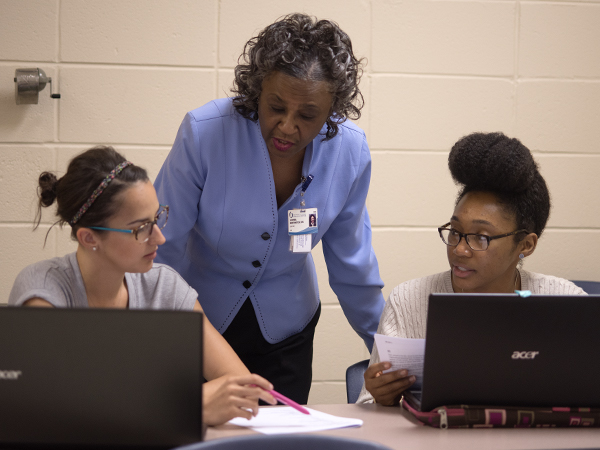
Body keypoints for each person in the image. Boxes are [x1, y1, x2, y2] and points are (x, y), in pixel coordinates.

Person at [153, 13, 385, 403]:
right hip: (198, 321)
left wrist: (390, 354)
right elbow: (161, 248)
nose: (287, 126)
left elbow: (353, 266)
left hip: (286, 330)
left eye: (308, 115)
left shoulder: (349, 150)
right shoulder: (205, 133)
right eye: (275, 106)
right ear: (257, 89)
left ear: (331, 110)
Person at [8, 146, 276, 426]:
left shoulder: (164, 285)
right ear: (89, 238)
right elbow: (52, 410)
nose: (159, 238)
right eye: (140, 228)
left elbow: (244, 390)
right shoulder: (44, 290)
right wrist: (186, 406)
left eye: (158, 218)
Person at [357, 132, 587, 405]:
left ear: (525, 244)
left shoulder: (565, 301)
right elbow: (367, 408)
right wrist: (381, 398)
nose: (459, 249)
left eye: (481, 237)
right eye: (455, 231)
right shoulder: (409, 301)